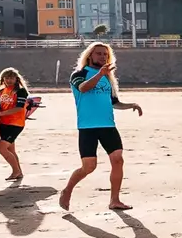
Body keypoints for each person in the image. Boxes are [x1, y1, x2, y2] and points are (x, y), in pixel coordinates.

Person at [59, 42, 143, 212]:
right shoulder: (79, 74)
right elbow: (83, 88)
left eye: (105, 54)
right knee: (89, 167)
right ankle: (67, 190)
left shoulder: (107, 78)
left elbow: (114, 103)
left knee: (118, 160)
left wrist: (131, 105)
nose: (103, 57)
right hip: (87, 127)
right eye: (99, 54)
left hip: (108, 126)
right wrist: (100, 74)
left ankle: (115, 200)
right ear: (90, 55)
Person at [0, 67, 33, 180]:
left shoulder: (21, 91)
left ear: (17, 79)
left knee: (1, 149)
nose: (9, 80)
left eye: (12, 78)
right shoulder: (1, 92)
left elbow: (19, 108)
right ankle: (19, 172)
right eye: (7, 78)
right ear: (2, 79)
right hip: (4, 123)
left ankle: (15, 171)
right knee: (10, 150)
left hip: (15, 124)